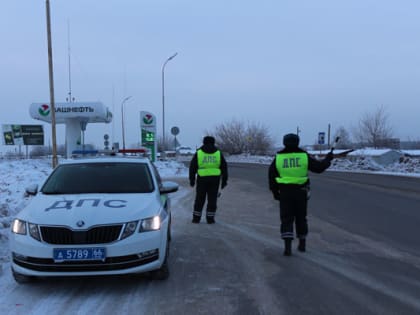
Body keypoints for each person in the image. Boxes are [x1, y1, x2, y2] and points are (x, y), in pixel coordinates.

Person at [268, 133, 333, 256]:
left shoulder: (279, 158)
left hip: (285, 192)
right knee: (301, 217)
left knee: (286, 218)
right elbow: (319, 168)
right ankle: (302, 244)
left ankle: (287, 247)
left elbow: (272, 175)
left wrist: (275, 192)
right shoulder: (304, 156)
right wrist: (328, 159)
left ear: (284, 142)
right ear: (298, 142)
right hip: (301, 192)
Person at [189, 136, 228, 224]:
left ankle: (196, 218)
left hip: (202, 179)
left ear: (204, 142)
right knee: (212, 199)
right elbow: (224, 167)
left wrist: (192, 179)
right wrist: (224, 180)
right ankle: (210, 219)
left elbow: (192, 167)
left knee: (199, 199)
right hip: (215, 180)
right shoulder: (218, 153)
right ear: (213, 142)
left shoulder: (199, 153)